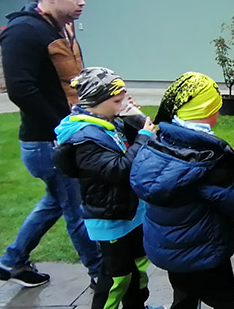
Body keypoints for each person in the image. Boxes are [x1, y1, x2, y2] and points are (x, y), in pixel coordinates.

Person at [0, 0, 101, 287]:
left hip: (61, 136)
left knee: (55, 202)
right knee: (77, 208)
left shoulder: (60, 29)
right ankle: (101, 273)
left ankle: (11, 262)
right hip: (47, 142)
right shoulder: (23, 31)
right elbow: (21, 90)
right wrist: (64, 128)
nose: (82, 1)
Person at [130, 72, 234, 309]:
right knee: (227, 302)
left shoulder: (160, 141)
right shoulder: (208, 158)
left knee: (184, 297)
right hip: (204, 254)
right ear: (209, 113)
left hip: (170, 251)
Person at [54, 67, 161, 309]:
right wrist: (143, 137)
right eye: (116, 101)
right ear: (96, 101)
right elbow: (119, 169)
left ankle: (137, 306)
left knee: (138, 267)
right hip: (110, 219)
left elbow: (133, 147)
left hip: (130, 212)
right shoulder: (84, 138)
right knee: (116, 277)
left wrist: (134, 121)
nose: (121, 104)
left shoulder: (108, 123)